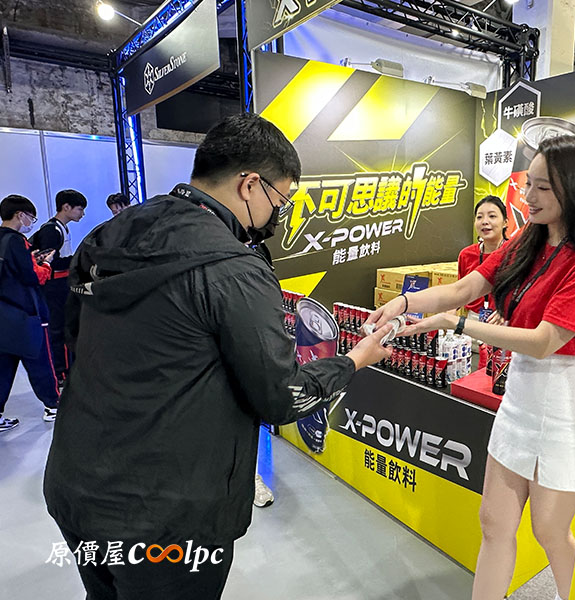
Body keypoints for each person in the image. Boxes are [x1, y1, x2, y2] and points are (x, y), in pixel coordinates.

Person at [43, 113, 392, 600]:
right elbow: (281, 396)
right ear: (250, 185)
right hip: (166, 515)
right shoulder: (232, 268)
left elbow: (74, 339)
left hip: (76, 484)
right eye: (280, 201)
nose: (276, 216)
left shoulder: (107, 236)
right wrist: (353, 360)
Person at [367, 136, 575, 600]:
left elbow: (545, 341)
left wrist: (457, 324)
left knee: (550, 530)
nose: (529, 197)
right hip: (522, 392)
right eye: (529, 185)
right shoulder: (529, 240)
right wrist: (403, 304)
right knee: (493, 522)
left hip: (567, 399)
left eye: (543, 188)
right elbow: (461, 290)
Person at [0, 195, 59, 430]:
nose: (31, 223)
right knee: (40, 359)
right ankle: (53, 405)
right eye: (31, 218)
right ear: (20, 215)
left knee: (3, 365)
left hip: (3, 312)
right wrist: (45, 265)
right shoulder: (17, 241)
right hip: (26, 311)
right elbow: (31, 277)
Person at [30, 188, 86, 387]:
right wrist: (77, 260)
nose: (82, 214)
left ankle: (68, 369)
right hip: (54, 287)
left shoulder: (62, 229)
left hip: (62, 284)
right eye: (80, 209)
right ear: (66, 207)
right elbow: (49, 262)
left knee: (66, 327)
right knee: (59, 329)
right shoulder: (51, 231)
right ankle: (61, 373)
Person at [457, 195, 507, 322]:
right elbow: (461, 292)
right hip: (472, 319)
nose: (485, 221)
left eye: (492, 216)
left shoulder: (516, 253)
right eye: (479, 217)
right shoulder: (466, 254)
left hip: (504, 319)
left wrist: (506, 311)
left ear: (505, 222)